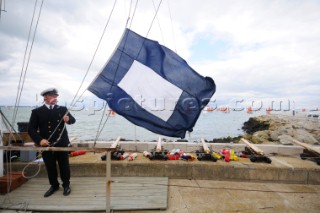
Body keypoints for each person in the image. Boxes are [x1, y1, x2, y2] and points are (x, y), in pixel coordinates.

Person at [28, 88, 76, 197]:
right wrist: (40, 140)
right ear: (45, 97)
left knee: (64, 166)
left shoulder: (63, 109)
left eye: (56, 96)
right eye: (52, 96)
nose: (55, 98)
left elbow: (73, 121)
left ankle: (66, 185)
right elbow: (31, 129)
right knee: (50, 166)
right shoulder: (37, 112)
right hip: (46, 144)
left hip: (62, 143)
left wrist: (68, 119)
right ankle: (54, 185)